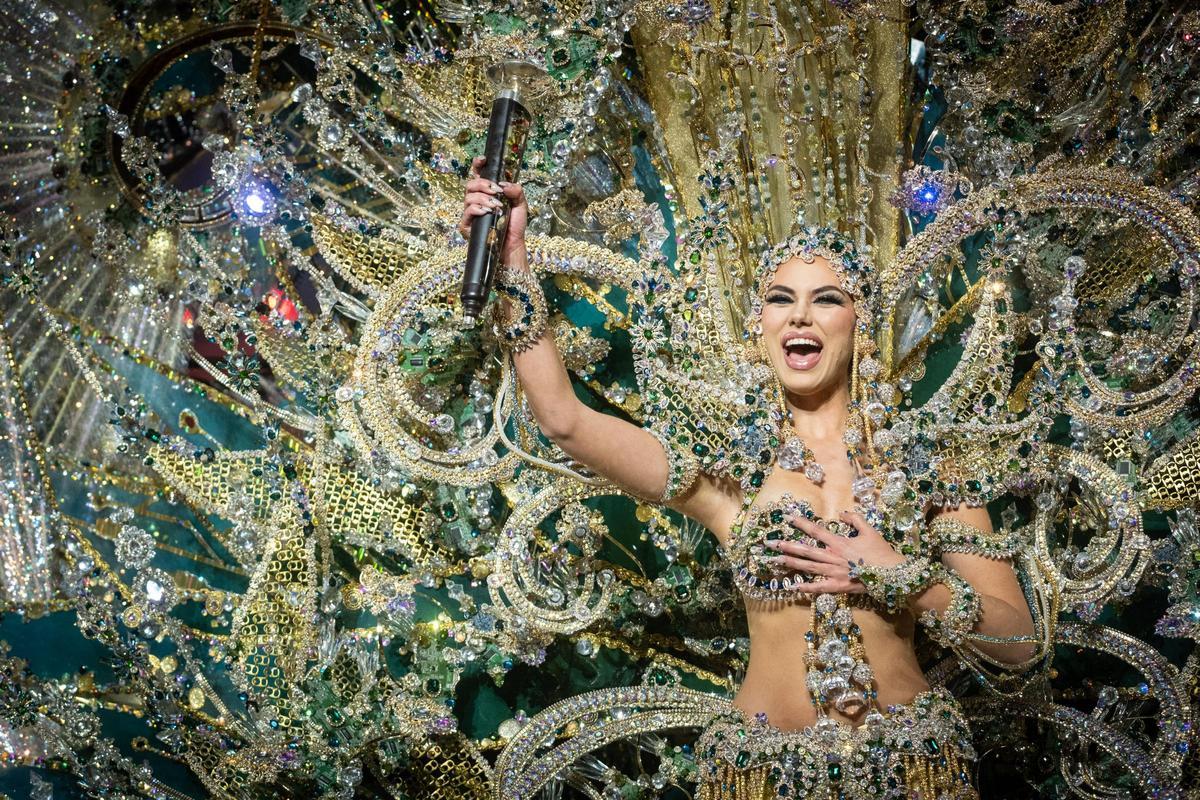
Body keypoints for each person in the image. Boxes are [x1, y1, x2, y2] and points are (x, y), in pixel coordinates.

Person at [462, 158, 1039, 799]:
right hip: (764, 776)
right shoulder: (729, 471)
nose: (800, 317)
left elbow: (1020, 643)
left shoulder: (927, 463)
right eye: (780, 299)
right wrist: (512, 258)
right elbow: (564, 420)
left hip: (914, 772)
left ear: (861, 323)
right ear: (760, 326)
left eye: (827, 299)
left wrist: (902, 578)